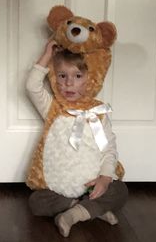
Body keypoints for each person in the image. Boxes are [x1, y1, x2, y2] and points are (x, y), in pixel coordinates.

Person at [26, 40, 128, 237]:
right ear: (54, 76)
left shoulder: (98, 113)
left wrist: (105, 178)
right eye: (62, 76)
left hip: (91, 185)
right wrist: (47, 54)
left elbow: (108, 149)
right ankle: (90, 210)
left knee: (120, 191)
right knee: (36, 202)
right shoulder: (52, 108)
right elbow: (32, 87)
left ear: (91, 78)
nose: (68, 83)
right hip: (60, 188)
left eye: (78, 76)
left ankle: (73, 215)